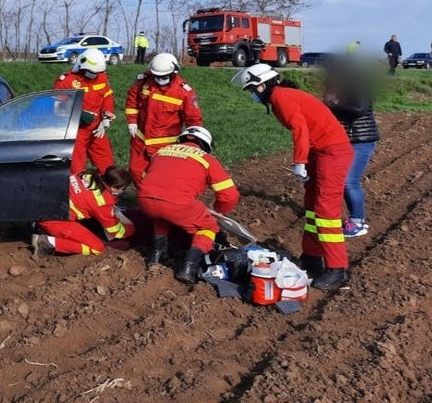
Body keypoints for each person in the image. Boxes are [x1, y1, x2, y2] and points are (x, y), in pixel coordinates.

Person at [232, 64, 353, 289]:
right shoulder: (282, 96)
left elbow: (300, 129)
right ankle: (311, 258)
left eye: (251, 90)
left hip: (332, 152)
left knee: (326, 212)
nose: (252, 95)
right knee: (312, 207)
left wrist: (299, 162)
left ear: (261, 86)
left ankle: (337, 269)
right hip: (321, 151)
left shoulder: (280, 97)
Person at [136, 126, 239, 283]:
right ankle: (189, 266)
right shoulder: (207, 159)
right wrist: (218, 211)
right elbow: (230, 195)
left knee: (162, 215)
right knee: (208, 227)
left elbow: (144, 178)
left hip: (145, 199)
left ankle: (157, 254)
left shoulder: (161, 152)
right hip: (177, 205)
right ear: (205, 145)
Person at [124, 52, 203, 190]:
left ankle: (159, 201)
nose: (160, 80)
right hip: (141, 139)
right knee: (136, 171)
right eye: (157, 77)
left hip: (166, 144)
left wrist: (193, 142)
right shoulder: (144, 81)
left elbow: (194, 119)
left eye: (164, 77)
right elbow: (132, 99)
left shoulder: (184, 92)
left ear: (174, 72)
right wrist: (132, 120)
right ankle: (146, 199)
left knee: (163, 177)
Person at [322, 58, 379, 239]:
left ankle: (358, 222)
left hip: (361, 140)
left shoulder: (357, 85)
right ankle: (351, 218)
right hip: (345, 140)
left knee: (349, 181)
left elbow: (359, 109)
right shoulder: (337, 87)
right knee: (341, 180)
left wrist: (334, 104)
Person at [32, 166, 134, 257]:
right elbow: (114, 230)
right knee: (97, 248)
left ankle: (39, 225)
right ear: (114, 187)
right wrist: (130, 229)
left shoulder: (87, 175)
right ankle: (46, 242)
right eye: (123, 189)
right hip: (54, 219)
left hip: (41, 202)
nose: (122, 192)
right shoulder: (102, 202)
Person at [53, 48, 115, 176]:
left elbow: (107, 96)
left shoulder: (101, 76)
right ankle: (79, 194)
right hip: (76, 130)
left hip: (97, 129)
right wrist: (79, 114)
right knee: (77, 168)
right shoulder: (67, 81)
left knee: (107, 164)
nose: (94, 75)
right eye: (91, 72)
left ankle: (108, 192)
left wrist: (107, 114)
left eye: (97, 73)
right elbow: (57, 107)